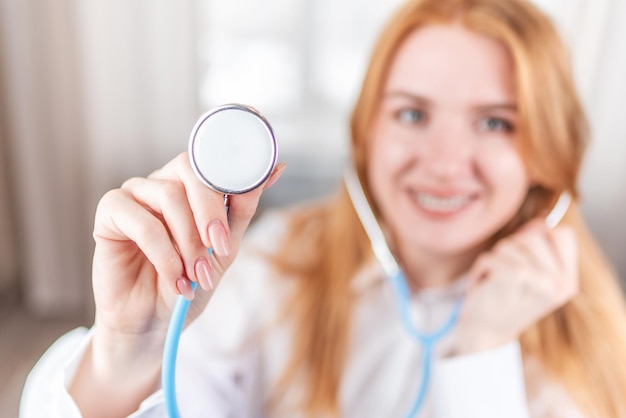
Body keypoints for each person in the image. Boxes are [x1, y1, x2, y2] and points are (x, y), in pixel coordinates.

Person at [19, 0, 626, 417]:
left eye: (496, 123)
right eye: (411, 114)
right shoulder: (279, 261)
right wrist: (127, 352)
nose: (444, 162)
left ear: (549, 152)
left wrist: (484, 352)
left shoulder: (590, 333)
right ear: (365, 135)